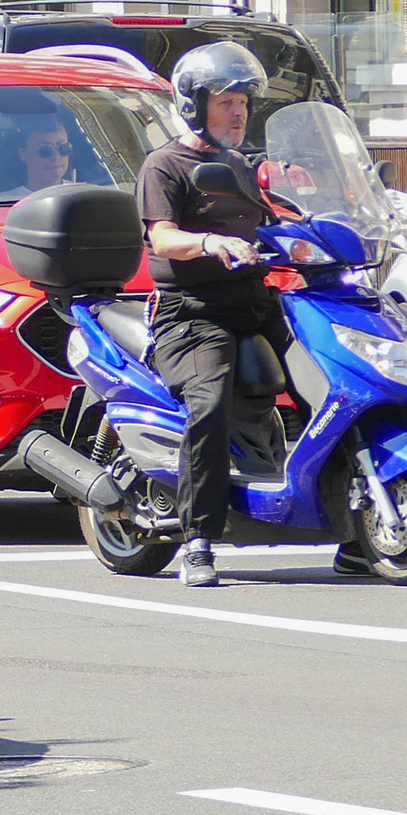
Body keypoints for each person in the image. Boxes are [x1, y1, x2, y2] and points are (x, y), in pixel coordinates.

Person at [136, 41, 295, 589]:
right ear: (192, 103)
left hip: (255, 301)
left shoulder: (241, 168)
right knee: (210, 402)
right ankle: (198, 538)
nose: (238, 111)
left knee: (338, 378)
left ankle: (353, 523)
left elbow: (278, 220)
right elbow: (162, 238)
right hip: (193, 312)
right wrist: (209, 242)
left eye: (244, 102)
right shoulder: (166, 165)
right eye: (226, 100)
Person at [0, 118, 76, 199]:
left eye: (63, 147)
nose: (56, 156)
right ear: (23, 153)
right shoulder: (2, 201)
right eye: (45, 149)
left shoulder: (83, 195)